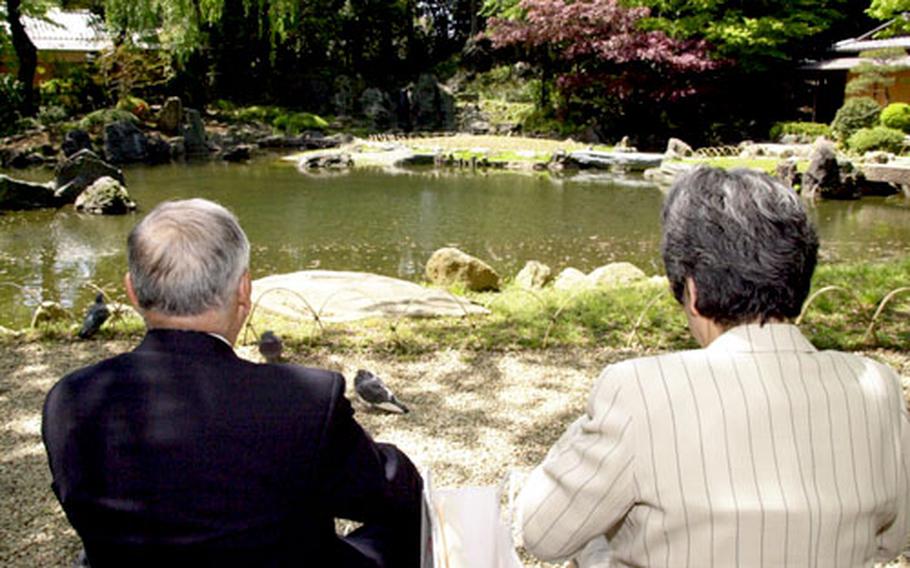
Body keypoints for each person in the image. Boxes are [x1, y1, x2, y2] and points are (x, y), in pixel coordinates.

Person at [517, 166, 910, 567]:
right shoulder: (877, 387)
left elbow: (543, 535)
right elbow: (892, 538)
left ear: (693, 291)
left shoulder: (641, 392)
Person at [42, 199, 423, 567]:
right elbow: (395, 493)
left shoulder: (70, 400)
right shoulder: (300, 400)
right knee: (414, 523)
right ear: (244, 290)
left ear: (132, 291)